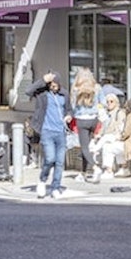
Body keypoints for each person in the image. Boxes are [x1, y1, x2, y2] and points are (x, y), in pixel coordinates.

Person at [26, 71, 74, 200]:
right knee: (50, 159)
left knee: (59, 162)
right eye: (51, 84)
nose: (53, 87)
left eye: (55, 85)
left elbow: (69, 109)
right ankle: (42, 180)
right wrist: (42, 80)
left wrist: (69, 116)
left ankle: (55, 187)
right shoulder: (42, 93)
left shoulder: (64, 94)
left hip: (60, 131)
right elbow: (28, 91)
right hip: (47, 131)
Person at [71, 68, 101, 182]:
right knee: (87, 148)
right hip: (94, 119)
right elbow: (103, 103)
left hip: (82, 120)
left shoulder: (76, 89)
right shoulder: (97, 88)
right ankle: (83, 173)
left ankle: (95, 167)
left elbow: (73, 106)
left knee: (84, 148)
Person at [90, 94, 126, 180]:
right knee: (106, 145)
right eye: (107, 102)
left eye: (111, 101)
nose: (109, 103)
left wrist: (116, 135)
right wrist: (99, 135)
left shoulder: (119, 113)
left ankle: (94, 149)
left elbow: (121, 127)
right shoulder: (105, 114)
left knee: (106, 139)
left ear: (116, 103)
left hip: (117, 137)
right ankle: (109, 170)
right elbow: (103, 128)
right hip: (108, 138)